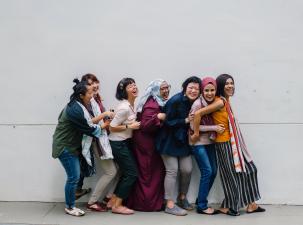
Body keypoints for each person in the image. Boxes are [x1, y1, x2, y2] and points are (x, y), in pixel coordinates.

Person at [191, 74, 265, 216]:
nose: (230, 86)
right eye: (226, 84)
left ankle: (250, 204)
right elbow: (198, 114)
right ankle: (233, 206)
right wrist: (195, 134)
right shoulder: (220, 102)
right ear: (220, 86)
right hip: (224, 143)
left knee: (249, 170)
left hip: (231, 143)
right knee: (231, 174)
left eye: (232, 83)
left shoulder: (225, 101)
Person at [52, 79, 111, 216]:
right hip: (65, 147)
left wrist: (102, 120)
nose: (92, 95)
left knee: (74, 176)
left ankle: (70, 204)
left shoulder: (77, 105)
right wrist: (105, 123)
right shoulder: (76, 110)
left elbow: (88, 122)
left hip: (69, 146)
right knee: (73, 177)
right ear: (81, 95)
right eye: (90, 92)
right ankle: (70, 207)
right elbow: (89, 128)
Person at [156, 76, 201, 216]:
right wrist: (186, 120)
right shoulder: (175, 100)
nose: (193, 91)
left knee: (187, 169)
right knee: (172, 170)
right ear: (185, 88)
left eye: (196, 89)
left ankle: (182, 198)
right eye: (190, 88)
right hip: (168, 140)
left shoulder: (197, 102)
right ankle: (169, 204)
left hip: (183, 141)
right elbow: (167, 122)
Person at [126, 79, 170, 211]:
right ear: (156, 90)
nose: (166, 90)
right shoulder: (152, 104)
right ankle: (146, 204)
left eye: (167, 87)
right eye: (162, 88)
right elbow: (145, 125)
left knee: (150, 172)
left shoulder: (157, 101)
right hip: (146, 143)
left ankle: (149, 202)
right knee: (148, 173)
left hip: (148, 141)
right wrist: (159, 117)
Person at [78, 74, 118, 212]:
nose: (94, 85)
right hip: (96, 140)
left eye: (95, 82)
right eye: (90, 84)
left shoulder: (96, 98)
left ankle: (107, 197)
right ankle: (93, 201)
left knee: (116, 169)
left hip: (102, 137)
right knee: (111, 172)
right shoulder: (87, 101)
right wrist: (105, 115)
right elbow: (88, 123)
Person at [189, 77, 225, 215]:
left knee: (214, 171)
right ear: (202, 91)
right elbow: (193, 126)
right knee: (207, 171)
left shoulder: (214, 102)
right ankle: (202, 206)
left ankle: (200, 199)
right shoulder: (197, 105)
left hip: (209, 141)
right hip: (197, 142)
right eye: (206, 90)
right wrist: (214, 127)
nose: (209, 93)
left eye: (212, 90)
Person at [108, 77, 141, 215]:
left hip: (124, 142)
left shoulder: (130, 105)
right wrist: (130, 126)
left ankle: (112, 201)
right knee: (131, 174)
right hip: (117, 143)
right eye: (130, 86)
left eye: (134, 85)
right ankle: (117, 206)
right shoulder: (124, 107)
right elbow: (111, 127)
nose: (134, 87)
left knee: (126, 173)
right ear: (124, 91)